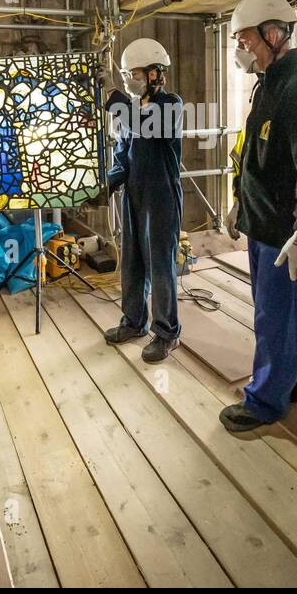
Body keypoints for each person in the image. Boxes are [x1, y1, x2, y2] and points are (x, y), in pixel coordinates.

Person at [221, 0, 297, 432]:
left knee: (275, 318)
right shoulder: (269, 83)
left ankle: (266, 402)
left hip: (288, 234)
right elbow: (255, 154)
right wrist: (240, 202)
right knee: (290, 314)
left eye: (247, 40)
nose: (242, 49)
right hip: (264, 224)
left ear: (274, 35)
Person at [103, 37, 184, 364]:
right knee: (133, 262)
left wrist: (115, 100)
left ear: (155, 74)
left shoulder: (171, 105)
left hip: (161, 197)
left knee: (161, 267)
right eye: (126, 77)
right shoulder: (130, 111)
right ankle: (134, 322)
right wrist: (106, 183)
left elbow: (149, 128)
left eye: (134, 74)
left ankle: (166, 334)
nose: (130, 81)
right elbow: (123, 155)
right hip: (133, 196)